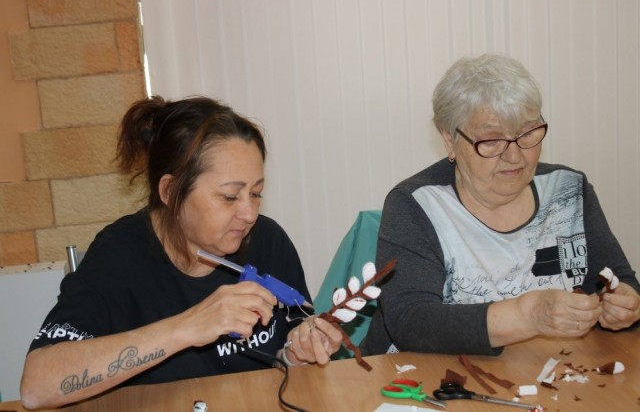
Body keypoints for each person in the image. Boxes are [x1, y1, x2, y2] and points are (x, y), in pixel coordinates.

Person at [20, 96, 342, 409]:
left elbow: (284, 355)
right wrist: (187, 327)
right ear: (170, 192)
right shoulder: (119, 256)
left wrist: (295, 355)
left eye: (256, 193)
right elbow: (37, 387)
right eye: (230, 197)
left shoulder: (268, 241)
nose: (249, 214)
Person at [361, 53, 640, 357]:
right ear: (450, 140)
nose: (514, 156)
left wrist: (624, 304)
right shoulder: (417, 205)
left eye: (527, 133)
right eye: (491, 141)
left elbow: (616, 281)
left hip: (542, 369)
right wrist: (527, 315)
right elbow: (411, 322)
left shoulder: (568, 191)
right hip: (422, 375)